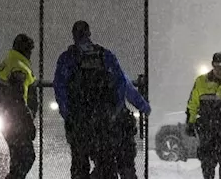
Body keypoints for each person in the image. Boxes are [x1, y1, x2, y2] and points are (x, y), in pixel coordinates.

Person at [54, 20, 151, 179]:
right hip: (104, 120)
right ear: (89, 34)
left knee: (79, 164)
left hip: (80, 120)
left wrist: (69, 114)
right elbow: (122, 82)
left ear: (73, 36)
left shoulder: (67, 58)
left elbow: (60, 88)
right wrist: (136, 107)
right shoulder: (104, 55)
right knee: (106, 164)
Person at [0, 33, 40, 179]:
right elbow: (17, 99)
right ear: (25, 50)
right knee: (27, 157)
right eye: (30, 50)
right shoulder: (18, 67)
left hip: (8, 119)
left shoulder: (9, 62)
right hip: (16, 121)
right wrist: (27, 121)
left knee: (17, 160)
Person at [112, 73, 150, 179]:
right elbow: (131, 93)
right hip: (120, 126)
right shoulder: (116, 72)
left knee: (104, 166)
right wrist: (146, 108)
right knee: (126, 166)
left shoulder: (84, 77)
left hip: (100, 128)